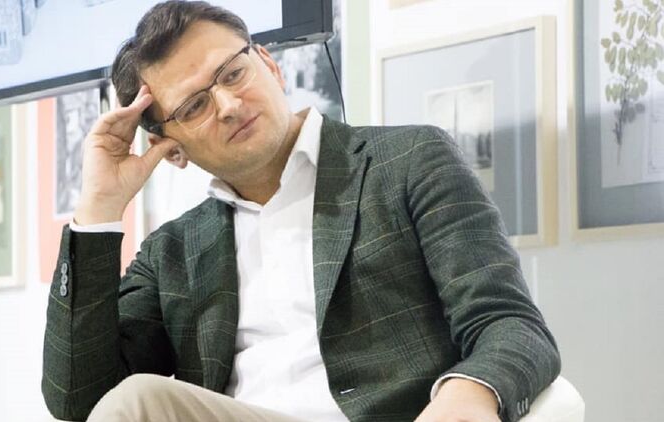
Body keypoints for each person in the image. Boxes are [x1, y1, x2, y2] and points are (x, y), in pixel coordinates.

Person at [41, 2, 560, 421]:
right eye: (194, 106)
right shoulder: (172, 252)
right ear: (168, 148)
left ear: (268, 65)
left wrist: (467, 394)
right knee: (134, 401)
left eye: (233, 73)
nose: (228, 105)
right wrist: (100, 208)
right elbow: (78, 400)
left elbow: (509, 323)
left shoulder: (407, 162)